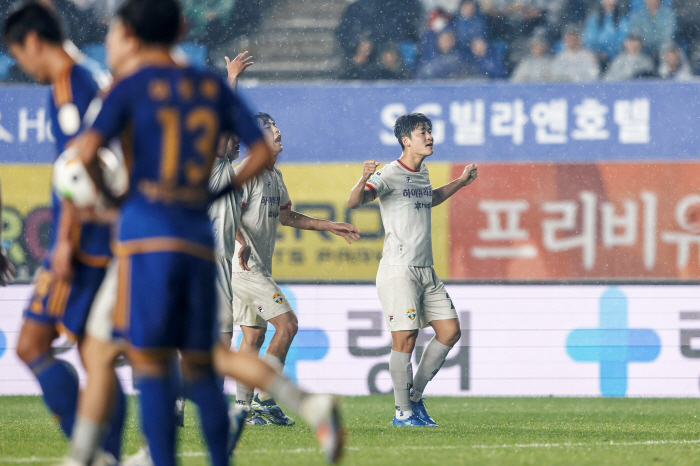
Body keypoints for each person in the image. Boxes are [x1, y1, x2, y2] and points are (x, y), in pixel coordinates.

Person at [72, 1, 344, 464]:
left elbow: (85, 152)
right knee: (205, 354)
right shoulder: (204, 87)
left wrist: (119, 198)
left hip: (145, 238)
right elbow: (257, 150)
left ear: (129, 34)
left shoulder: (130, 86)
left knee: (147, 356)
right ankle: (294, 405)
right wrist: (218, 197)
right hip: (196, 243)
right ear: (182, 27)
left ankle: (101, 454)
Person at [4, 3, 125, 464]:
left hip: (83, 243)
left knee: (34, 345)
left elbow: (80, 171)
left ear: (33, 42)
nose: (22, 66)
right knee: (94, 353)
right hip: (98, 237)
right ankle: (103, 453)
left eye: (19, 56)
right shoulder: (86, 76)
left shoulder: (69, 86)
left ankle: (92, 453)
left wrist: (64, 243)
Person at [229, 111, 361, 425]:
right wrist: (240, 241)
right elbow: (224, 212)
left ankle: (243, 409)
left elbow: (288, 217)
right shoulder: (242, 172)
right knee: (287, 325)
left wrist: (329, 225)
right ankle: (266, 396)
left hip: (257, 266)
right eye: (270, 128)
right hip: (243, 267)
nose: (278, 131)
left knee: (253, 336)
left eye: (276, 126)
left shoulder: (274, 176)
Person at [347, 113, 478, 426]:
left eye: (430, 131)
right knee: (404, 338)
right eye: (423, 132)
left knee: (450, 332)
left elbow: (428, 198)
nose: (429, 137)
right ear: (406, 140)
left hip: (425, 270)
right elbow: (356, 202)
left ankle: (415, 397)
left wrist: (460, 182)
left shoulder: (422, 171)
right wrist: (363, 177)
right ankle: (402, 412)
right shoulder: (390, 173)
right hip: (398, 269)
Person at [582, 0, 630, 66]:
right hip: (596, 58)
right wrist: (598, 52)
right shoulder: (594, 19)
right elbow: (589, 38)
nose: (609, 1)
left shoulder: (622, 19)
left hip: (617, 58)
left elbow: (624, 37)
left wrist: (611, 52)